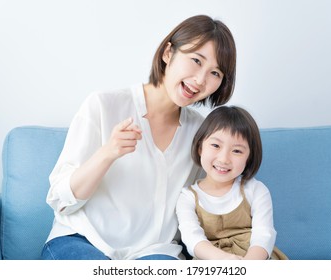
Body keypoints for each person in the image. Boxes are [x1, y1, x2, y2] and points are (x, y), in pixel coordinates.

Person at [41, 15, 237, 260]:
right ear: (168, 53)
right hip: (82, 240)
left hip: (155, 251)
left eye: (215, 73)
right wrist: (108, 152)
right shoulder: (103, 105)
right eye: (196, 60)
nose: (200, 80)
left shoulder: (203, 133)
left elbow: (203, 203)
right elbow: (61, 200)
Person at [176, 106, 288, 260]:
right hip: (212, 260)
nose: (223, 159)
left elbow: (264, 234)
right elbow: (192, 238)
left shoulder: (256, 190)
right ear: (200, 147)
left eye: (237, 151)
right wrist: (226, 261)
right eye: (215, 146)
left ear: (249, 157)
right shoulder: (187, 197)